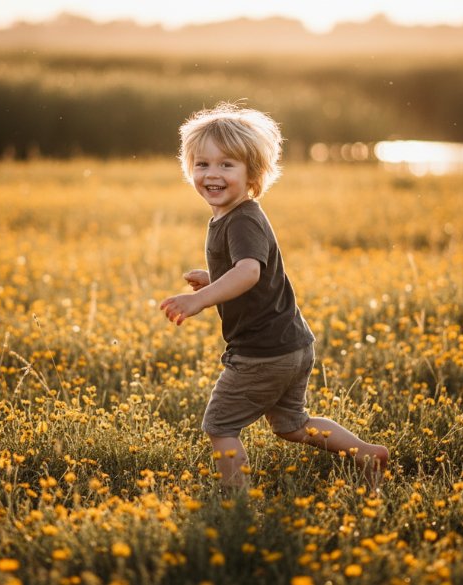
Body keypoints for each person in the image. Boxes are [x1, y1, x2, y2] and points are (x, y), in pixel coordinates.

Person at [159, 103, 389, 491]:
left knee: (220, 425)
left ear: (252, 174)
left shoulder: (243, 218)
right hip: (292, 345)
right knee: (293, 425)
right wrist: (213, 278)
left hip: (262, 353)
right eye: (202, 164)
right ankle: (366, 453)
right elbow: (248, 272)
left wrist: (202, 299)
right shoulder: (231, 215)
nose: (212, 173)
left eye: (227, 164)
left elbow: (249, 272)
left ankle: (235, 502)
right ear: (189, 170)